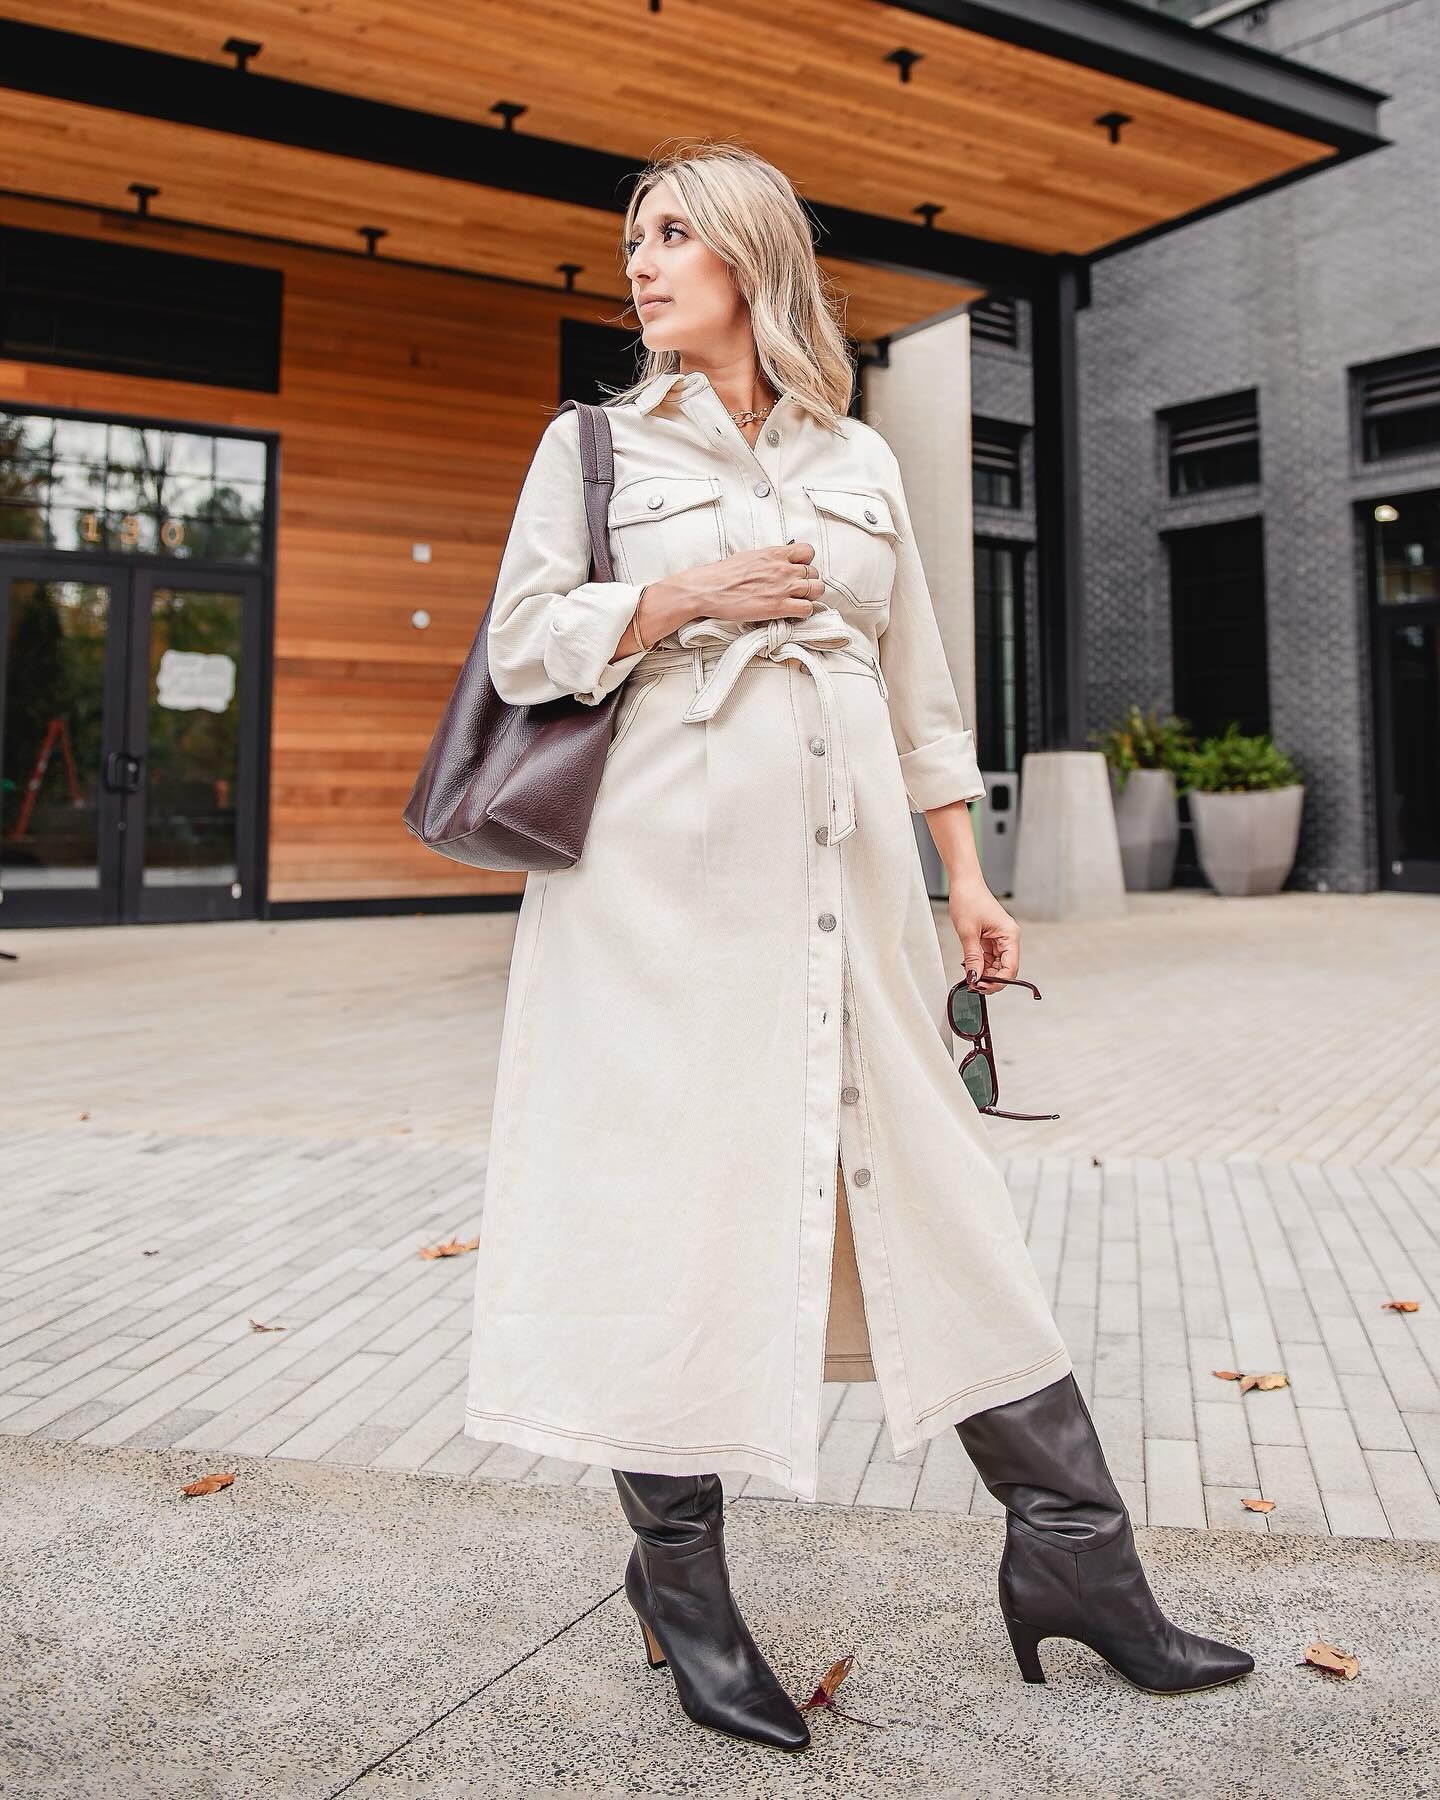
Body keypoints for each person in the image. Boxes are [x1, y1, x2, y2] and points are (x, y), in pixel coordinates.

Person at [461, 143, 1253, 1752]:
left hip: (855, 897)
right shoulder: (596, 444)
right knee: (675, 1212)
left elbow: (920, 695)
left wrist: (965, 874)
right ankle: (679, 1582)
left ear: (753, 256)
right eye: (632, 238)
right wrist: (690, 593)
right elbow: (525, 638)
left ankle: (1078, 1561)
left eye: (673, 233)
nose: (640, 260)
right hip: (654, 906)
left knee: (940, 1195)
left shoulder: (864, 459)